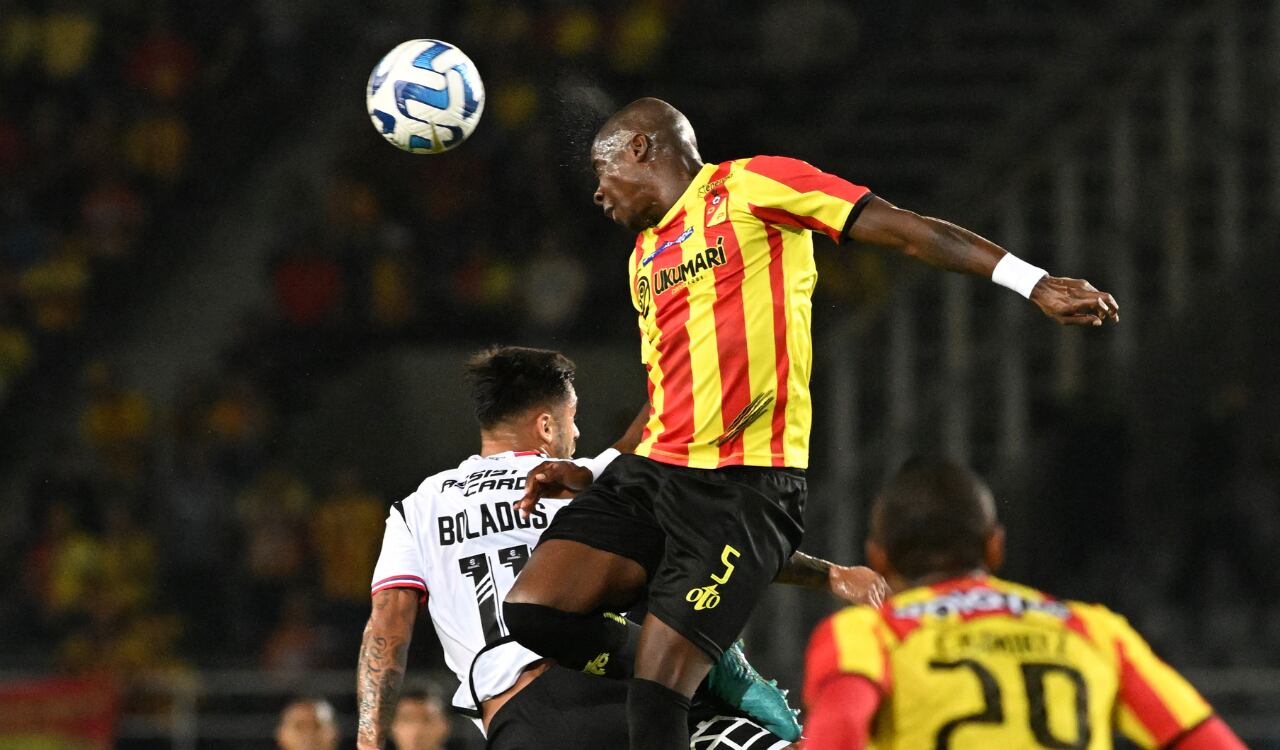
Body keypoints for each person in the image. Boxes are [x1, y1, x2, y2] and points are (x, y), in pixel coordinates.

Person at [505, 96, 1121, 750]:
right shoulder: (643, 261)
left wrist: (1033, 282)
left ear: (640, 148)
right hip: (650, 471)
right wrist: (594, 468)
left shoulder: (752, 186)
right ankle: (716, 678)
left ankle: (691, 679)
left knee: (654, 712)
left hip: (740, 488)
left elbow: (903, 228)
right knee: (534, 611)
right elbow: (664, 394)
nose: (598, 194)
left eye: (602, 171)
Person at [355, 346, 886, 750]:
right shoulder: (578, 480)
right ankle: (726, 669)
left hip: (520, 727)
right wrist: (830, 574)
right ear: (547, 424)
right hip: (613, 689)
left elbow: (388, 625)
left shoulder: (417, 507)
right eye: (572, 419)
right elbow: (707, 541)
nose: (577, 431)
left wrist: (369, 740)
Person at [802, 457, 1247, 750]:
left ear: (878, 558)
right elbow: (1206, 741)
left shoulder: (867, 635)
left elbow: (837, 735)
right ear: (995, 546)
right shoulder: (1094, 631)